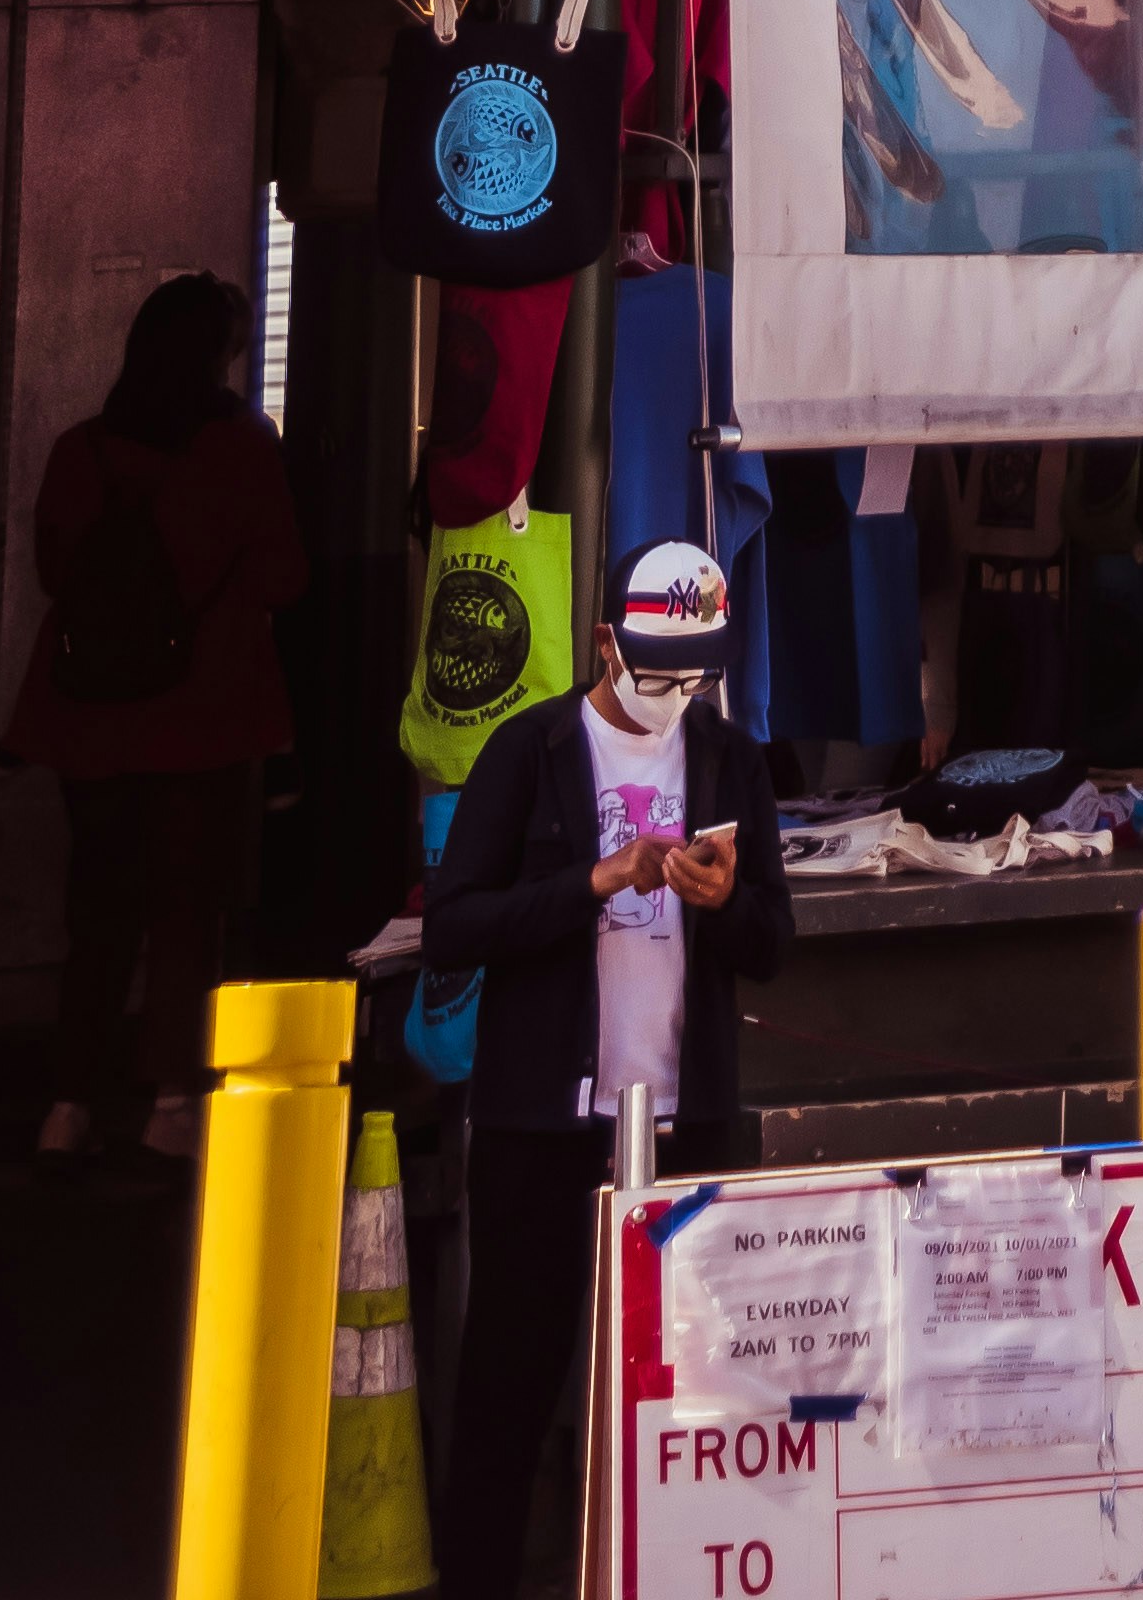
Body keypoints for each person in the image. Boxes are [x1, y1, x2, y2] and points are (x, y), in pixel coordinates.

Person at [423, 534, 792, 1600]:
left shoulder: (730, 757)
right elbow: (453, 927)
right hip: (545, 1119)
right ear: (605, 645)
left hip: (690, 1118)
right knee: (512, 1375)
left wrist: (722, 907)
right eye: (660, 670)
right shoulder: (528, 750)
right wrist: (594, 878)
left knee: (697, 1386)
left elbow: (774, 940)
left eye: (697, 672)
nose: (679, 693)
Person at [4, 266, 307, 1165]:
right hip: (203, 723)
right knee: (187, 915)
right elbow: (284, 578)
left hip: (90, 725)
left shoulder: (82, 449)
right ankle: (171, 1103)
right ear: (219, 355)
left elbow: (57, 574)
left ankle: (69, 1103)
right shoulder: (242, 448)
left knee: (97, 915)